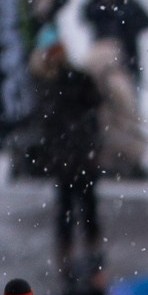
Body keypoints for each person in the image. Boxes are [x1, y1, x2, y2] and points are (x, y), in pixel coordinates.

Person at [29, 42, 106, 276]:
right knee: (71, 208)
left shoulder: (68, 80)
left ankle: (83, 253)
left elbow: (93, 104)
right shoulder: (50, 82)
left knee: (81, 207)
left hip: (76, 154)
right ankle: (74, 254)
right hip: (70, 156)